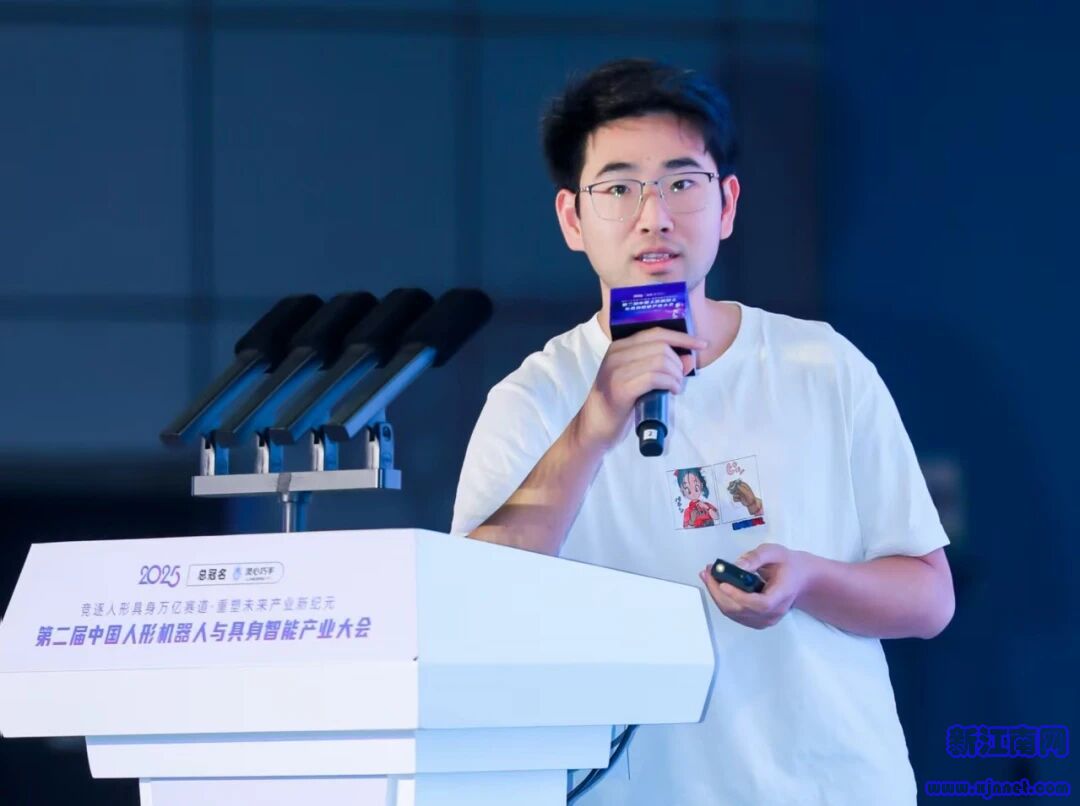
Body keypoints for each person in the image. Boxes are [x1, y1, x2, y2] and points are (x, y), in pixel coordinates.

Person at [450, 59, 955, 805]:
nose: (653, 215)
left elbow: (929, 599)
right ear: (572, 219)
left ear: (727, 205)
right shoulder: (535, 398)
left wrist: (809, 581)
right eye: (619, 188)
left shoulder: (822, 365)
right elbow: (472, 604)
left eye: (682, 183)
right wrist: (590, 427)